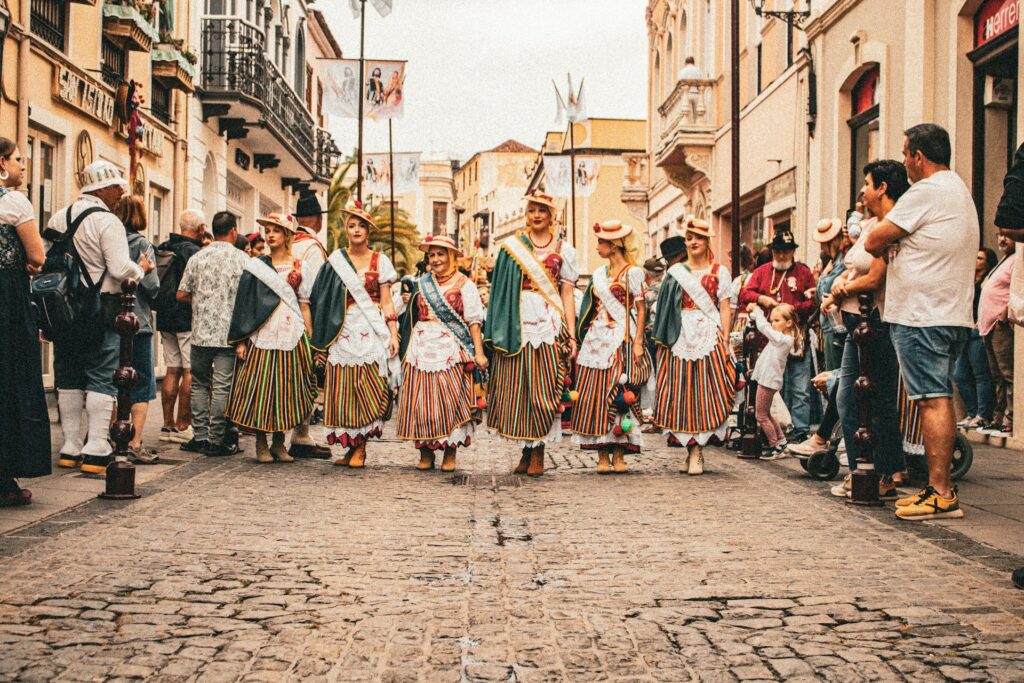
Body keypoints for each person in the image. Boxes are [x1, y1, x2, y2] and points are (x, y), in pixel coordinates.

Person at [864, 123, 978, 520]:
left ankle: (940, 491)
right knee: (937, 396)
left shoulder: (926, 192)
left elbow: (873, 240)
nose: (904, 162)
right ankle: (939, 488)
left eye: (905, 153)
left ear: (918, 156)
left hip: (923, 313)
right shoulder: (957, 189)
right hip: (948, 310)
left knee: (931, 399)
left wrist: (893, 240)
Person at [46, 161, 146, 475]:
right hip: (99, 308)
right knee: (103, 375)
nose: (120, 195)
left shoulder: (58, 216)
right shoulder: (107, 221)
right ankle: (96, 448)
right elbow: (118, 268)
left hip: (63, 310)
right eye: (118, 187)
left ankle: (70, 446)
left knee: (69, 376)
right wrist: (140, 270)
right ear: (101, 187)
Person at [825, 159, 911, 499]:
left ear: (882, 188)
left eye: (867, 183)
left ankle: (883, 472)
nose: (862, 190)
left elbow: (876, 277)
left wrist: (843, 289)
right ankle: (860, 469)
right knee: (847, 398)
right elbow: (857, 267)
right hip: (854, 325)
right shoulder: (872, 223)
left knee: (876, 401)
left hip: (874, 322)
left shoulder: (891, 225)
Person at [484, 190, 578, 477]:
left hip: (548, 324)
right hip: (517, 321)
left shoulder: (564, 249)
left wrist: (571, 334)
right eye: (532, 210)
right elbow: (499, 290)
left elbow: (567, 293)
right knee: (519, 389)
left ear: (551, 215)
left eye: (542, 210)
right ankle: (526, 450)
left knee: (543, 388)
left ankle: (539, 452)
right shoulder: (512, 247)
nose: (536, 215)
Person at [309, 201, 400, 469]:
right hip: (343, 329)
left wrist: (393, 334)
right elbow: (322, 300)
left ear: (368, 231)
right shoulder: (335, 261)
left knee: (367, 386)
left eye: (361, 225)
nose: (356, 230)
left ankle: (361, 447)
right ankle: (350, 446)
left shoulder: (380, 261)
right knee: (344, 387)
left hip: (371, 330)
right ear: (346, 230)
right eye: (351, 225)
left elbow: (387, 301)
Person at [226, 213, 317, 463]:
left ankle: (279, 443)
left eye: (276, 230)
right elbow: (244, 303)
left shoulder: (301, 266)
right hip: (262, 333)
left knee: (287, 388)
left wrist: (310, 338)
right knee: (262, 389)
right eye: (268, 230)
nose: (270, 234)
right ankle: (260, 442)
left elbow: (305, 303)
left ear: (287, 234)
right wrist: (241, 340)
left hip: (292, 333)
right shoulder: (256, 266)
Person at [651, 218, 736, 474]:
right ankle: (690, 448)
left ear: (707, 240)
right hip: (680, 335)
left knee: (704, 391)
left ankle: (698, 449)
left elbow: (724, 306)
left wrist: (725, 336)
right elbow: (666, 310)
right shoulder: (676, 272)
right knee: (681, 392)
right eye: (689, 238)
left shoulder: (719, 271)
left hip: (708, 335)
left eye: (698, 237)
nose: (693, 242)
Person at [396, 235, 487, 472]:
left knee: (449, 400)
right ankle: (425, 453)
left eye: (440, 254)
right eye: (432, 255)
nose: (435, 259)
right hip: (422, 347)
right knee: (422, 402)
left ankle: (450, 451)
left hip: (451, 348)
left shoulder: (465, 284)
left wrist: (479, 353)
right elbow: (409, 315)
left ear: (452, 256)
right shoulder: (422, 283)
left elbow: (474, 322)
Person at [571, 221, 651, 473]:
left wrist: (638, 342)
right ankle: (602, 454)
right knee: (595, 394)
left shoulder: (633, 273)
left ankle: (619, 453)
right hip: (597, 340)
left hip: (621, 338)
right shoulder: (599, 275)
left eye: (601, 243)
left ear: (614, 246)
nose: (597, 247)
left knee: (619, 392)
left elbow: (641, 309)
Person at [0, 137, 50, 506]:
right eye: (17, 159)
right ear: (1, 163)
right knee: (11, 379)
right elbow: (37, 255)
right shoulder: (14, 202)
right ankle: (5, 479)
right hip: (7, 299)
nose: (22, 164)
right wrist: (27, 263)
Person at [176, 211, 250, 456]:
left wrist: (202, 300)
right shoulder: (242, 259)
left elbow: (181, 293)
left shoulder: (198, 257)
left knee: (198, 384)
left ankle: (199, 436)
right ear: (233, 231)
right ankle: (217, 440)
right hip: (229, 335)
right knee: (221, 387)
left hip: (200, 333)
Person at [739, 230, 817, 442]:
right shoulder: (762, 272)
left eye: (786, 251)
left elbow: (813, 300)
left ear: (793, 251)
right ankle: (773, 433)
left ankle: (800, 432)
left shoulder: (803, 273)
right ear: (773, 251)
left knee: (800, 388)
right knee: (769, 388)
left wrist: (792, 309)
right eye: (778, 251)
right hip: (769, 343)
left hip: (796, 338)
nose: (782, 256)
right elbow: (745, 294)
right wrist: (762, 299)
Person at [114, 195, 161, 464]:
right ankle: (134, 441)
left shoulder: (110, 238)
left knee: (114, 380)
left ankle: (111, 437)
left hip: (112, 319)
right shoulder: (142, 244)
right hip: (139, 321)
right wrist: (147, 271)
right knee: (141, 382)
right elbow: (152, 287)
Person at [156, 210, 205, 445]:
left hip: (165, 315)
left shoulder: (165, 246)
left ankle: (166, 425)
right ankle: (183, 424)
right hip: (186, 316)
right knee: (189, 371)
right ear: (201, 229)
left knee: (171, 369)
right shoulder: (193, 252)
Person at [288, 194, 331, 459]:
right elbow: (317, 291)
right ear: (318, 219)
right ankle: (301, 433)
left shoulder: (288, 242)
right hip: (305, 319)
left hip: (281, 318)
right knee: (306, 376)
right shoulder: (312, 248)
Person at [746, 303, 799, 458]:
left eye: (777, 320)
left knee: (760, 415)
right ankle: (781, 442)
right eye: (772, 321)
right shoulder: (781, 338)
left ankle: (775, 445)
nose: (773, 324)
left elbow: (764, 328)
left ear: (788, 323)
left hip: (769, 380)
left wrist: (758, 314)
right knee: (766, 413)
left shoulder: (783, 339)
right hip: (768, 379)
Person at [954, 248, 997, 431]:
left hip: (977, 331)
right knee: (960, 375)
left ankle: (982, 415)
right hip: (963, 330)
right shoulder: (968, 280)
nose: (975, 260)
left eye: (979, 258)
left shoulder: (988, 281)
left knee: (981, 374)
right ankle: (972, 413)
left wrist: (980, 322)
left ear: (987, 263)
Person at [978, 235, 1015, 437]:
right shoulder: (1004, 260)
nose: (1002, 239)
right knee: (997, 375)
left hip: (1000, 324)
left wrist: (1004, 313)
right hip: (988, 325)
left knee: (1007, 373)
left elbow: (1018, 290)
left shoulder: (1018, 259)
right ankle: (998, 418)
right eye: (999, 235)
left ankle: (1010, 419)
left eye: (1007, 235)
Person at [812, 218, 850, 372]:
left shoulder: (842, 263)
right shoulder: (832, 263)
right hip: (829, 324)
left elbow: (824, 291)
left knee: (835, 373)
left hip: (837, 325)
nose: (821, 246)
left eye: (824, 242)